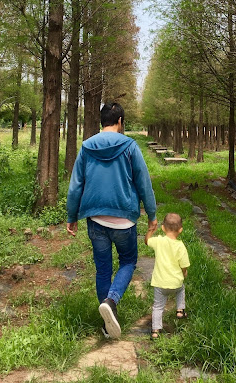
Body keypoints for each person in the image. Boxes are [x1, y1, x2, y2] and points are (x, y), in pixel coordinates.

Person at [66, 102, 157, 339]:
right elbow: (143, 183)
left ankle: (107, 325)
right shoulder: (129, 146)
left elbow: (76, 185)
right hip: (124, 220)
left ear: (101, 121)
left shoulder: (86, 146)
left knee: (102, 270)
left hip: (96, 219)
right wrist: (152, 215)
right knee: (128, 261)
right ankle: (112, 300)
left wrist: (71, 216)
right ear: (120, 122)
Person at [145, 212, 190, 340]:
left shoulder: (159, 241)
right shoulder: (181, 246)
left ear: (163, 228)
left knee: (158, 307)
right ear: (180, 230)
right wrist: (184, 272)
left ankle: (155, 330)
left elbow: (147, 241)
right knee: (181, 290)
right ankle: (180, 310)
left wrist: (150, 231)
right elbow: (184, 264)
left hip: (160, 283)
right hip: (175, 283)